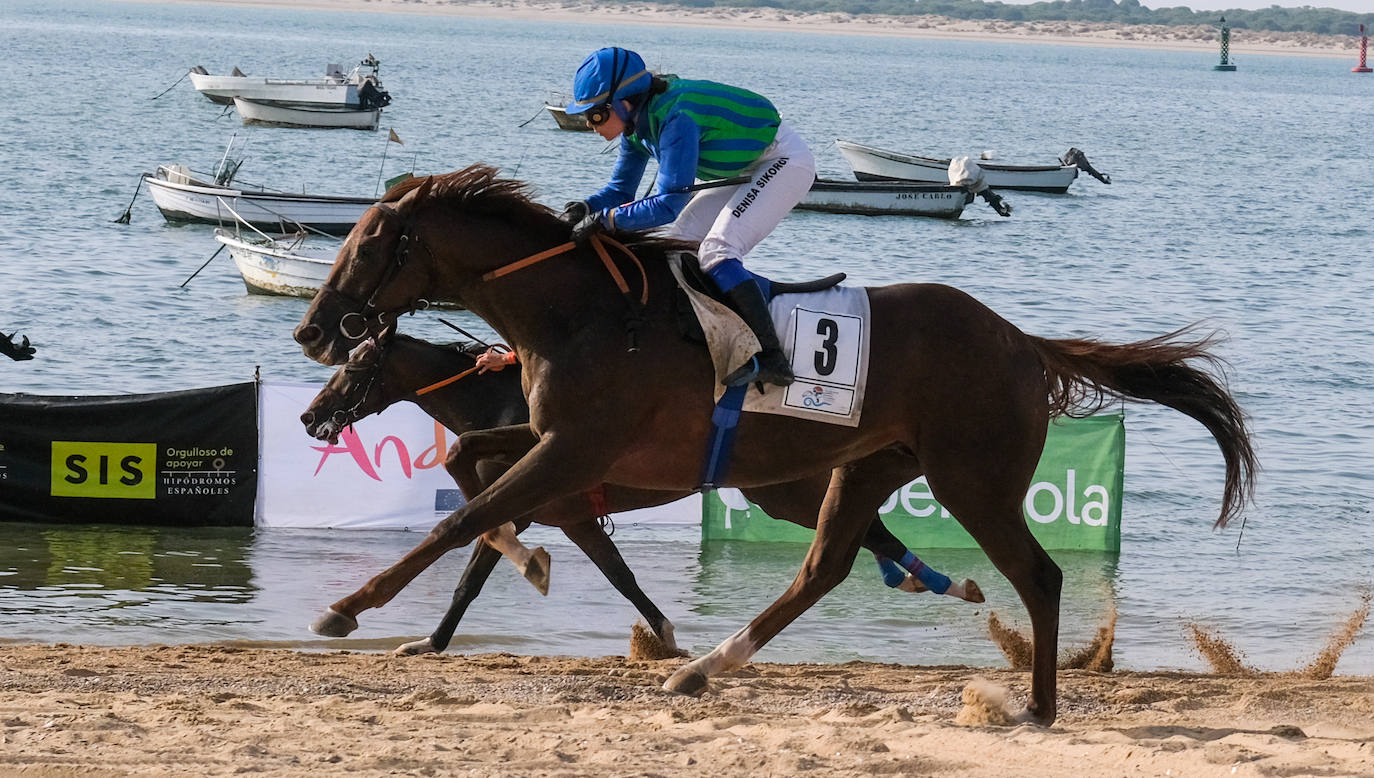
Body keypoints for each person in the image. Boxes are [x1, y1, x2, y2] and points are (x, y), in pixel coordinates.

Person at [561, 47, 817, 388]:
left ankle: (773, 358)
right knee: (676, 248)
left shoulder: (676, 118)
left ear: (623, 102)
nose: (590, 125)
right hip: (744, 170)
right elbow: (620, 193)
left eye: (595, 115)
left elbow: (668, 204)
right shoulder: (637, 127)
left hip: (783, 161)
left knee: (718, 250)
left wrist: (605, 221)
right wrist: (584, 207)